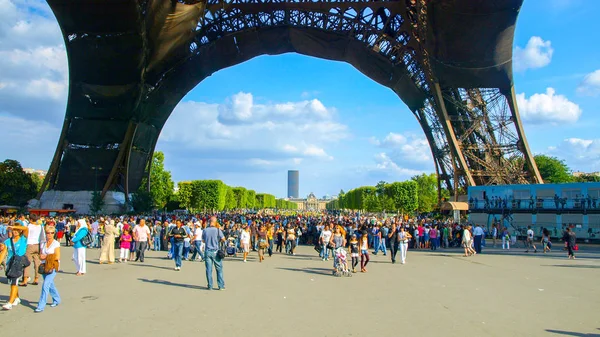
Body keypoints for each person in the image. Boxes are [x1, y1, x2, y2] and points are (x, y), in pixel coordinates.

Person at [1, 225, 29, 310]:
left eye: (17, 230)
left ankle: (10, 302)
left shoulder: (23, 239)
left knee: (14, 282)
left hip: (19, 263)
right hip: (10, 263)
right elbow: (3, 253)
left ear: (20, 231)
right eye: (14, 230)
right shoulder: (8, 241)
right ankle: (16, 298)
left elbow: (26, 229)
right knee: (12, 282)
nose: (15, 231)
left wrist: (13, 226)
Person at [35, 225, 61, 312]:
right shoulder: (43, 243)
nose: (49, 234)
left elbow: (57, 256)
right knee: (50, 285)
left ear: (54, 233)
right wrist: (40, 256)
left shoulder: (56, 243)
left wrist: (46, 256)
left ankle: (41, 306)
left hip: (52, 266)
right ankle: (57, 299)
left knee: (45, 285)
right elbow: (40, 254)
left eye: (52, 233)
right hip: (44, 267)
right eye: (48, 233)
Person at [202, 217, 226, 290]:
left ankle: (210, 285)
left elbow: (203, 241)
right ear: (215, 222)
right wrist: (218, 241)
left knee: (209, 269)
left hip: (207, 251)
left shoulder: (205, 230)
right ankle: (220, 285)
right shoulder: (218, 230)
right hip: (215, 251)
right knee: (219, 269)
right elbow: (223, 239)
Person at [23, 214, 44, 286]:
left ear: (31, 220)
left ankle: (25, 279)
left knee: (27, 262)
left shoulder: (29, 226)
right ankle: (36, 278)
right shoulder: (39, 226)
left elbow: (25, 235)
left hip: (30, 244)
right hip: (37, 244)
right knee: (37, 262)